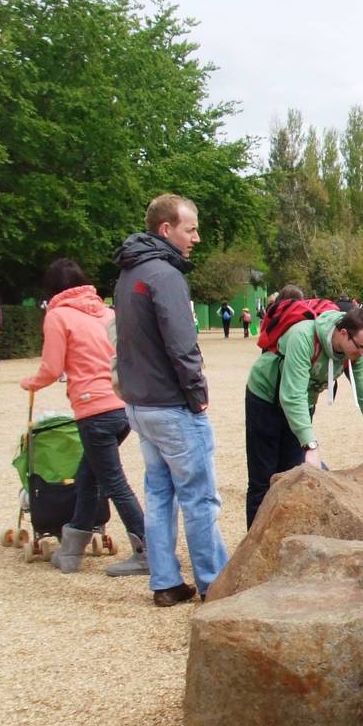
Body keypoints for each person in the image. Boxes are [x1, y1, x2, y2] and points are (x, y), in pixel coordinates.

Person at [113, 193, 228, 606]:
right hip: (171, 405)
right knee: (199, 496)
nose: (196, 236)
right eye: (190, 228)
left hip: (140, 405)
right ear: (167, 229)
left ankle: (164, 581)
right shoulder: (164, 275)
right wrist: (197, 397)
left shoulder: (128, 274)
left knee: (159, 494)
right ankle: (214, 582)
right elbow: (182, 345)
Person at [19, 260, 149, 576]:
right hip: (121, 405)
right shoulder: (107, 313)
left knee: (113, 482)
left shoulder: (58, 316)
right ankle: (72, 548)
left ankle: (147, 549)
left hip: (93, 410)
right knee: (88, 477)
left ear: (51, 290)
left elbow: (51, 368)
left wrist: (30, 382)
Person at [244, 300, 363, 526]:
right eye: (360, 347)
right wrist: (310, 445)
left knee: (292, 475)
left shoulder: (354, 353)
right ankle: (253, 551)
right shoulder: (303, 336)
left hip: (303, 404)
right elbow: (291, 395)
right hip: (266, 399)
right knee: (262, 480)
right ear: (343, 333)